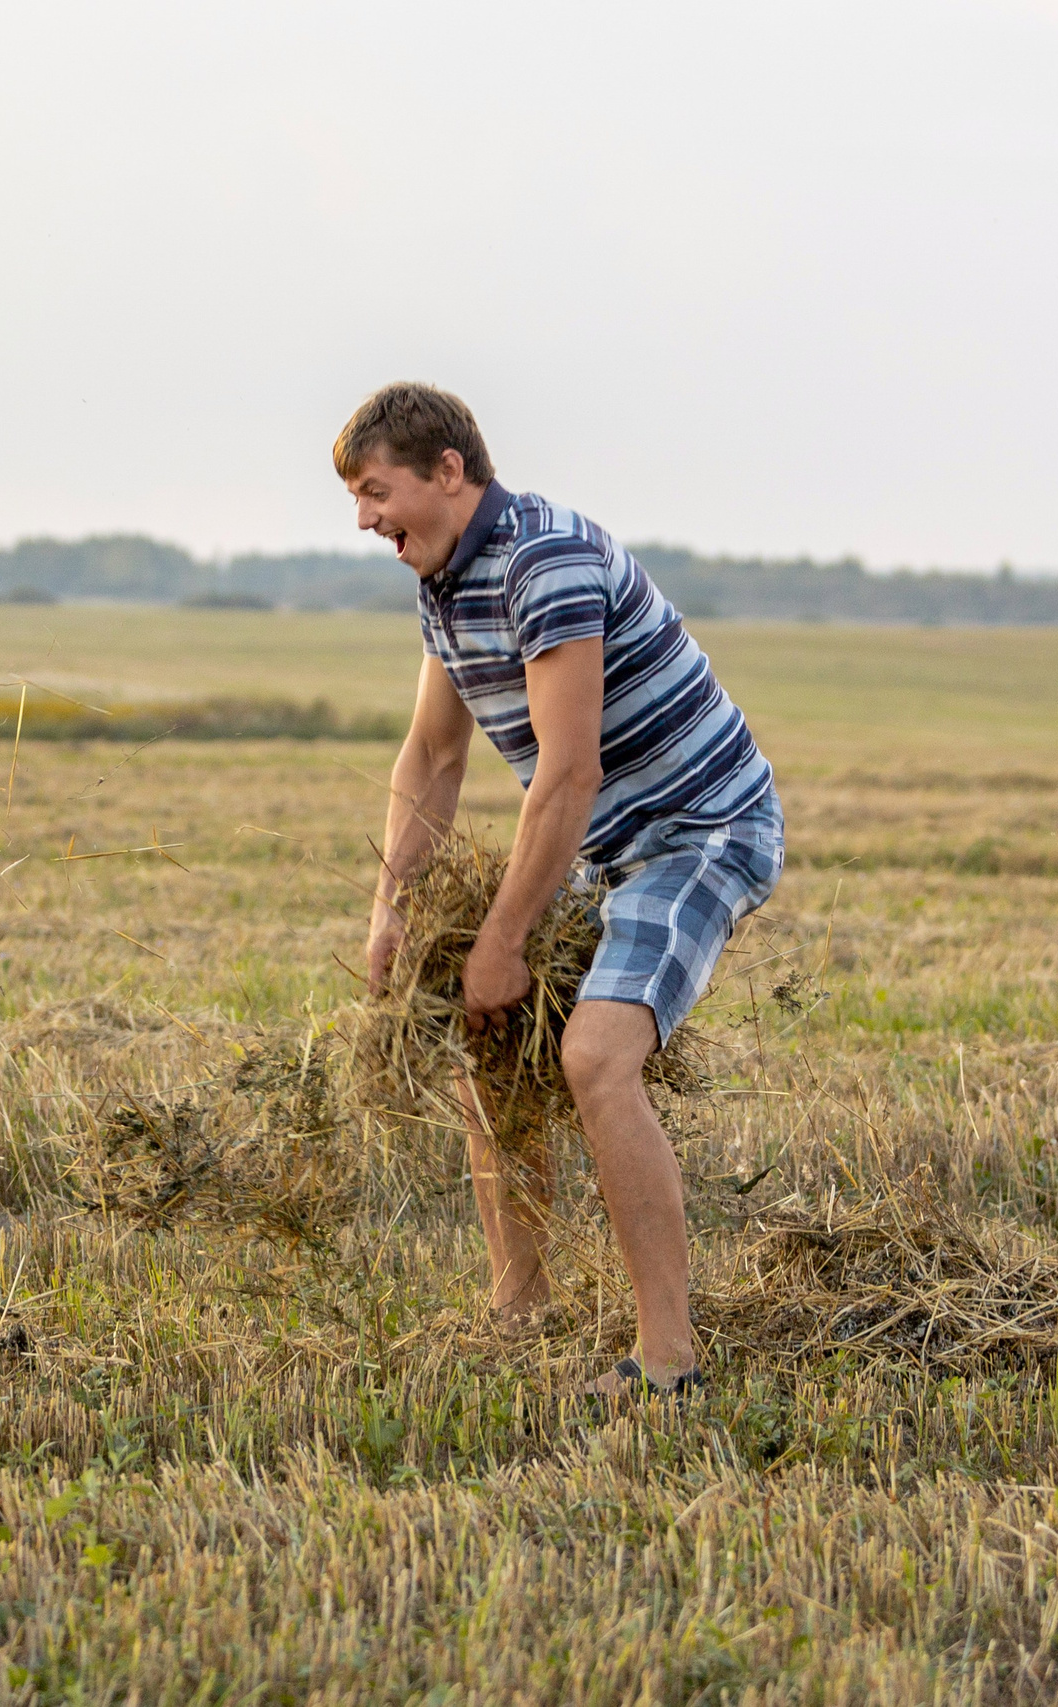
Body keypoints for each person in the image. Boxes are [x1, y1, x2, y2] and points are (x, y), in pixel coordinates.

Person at [341, 382, 781, 1398]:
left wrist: (503, 939)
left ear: (447, 471)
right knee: (483, 1047)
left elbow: (567, 773)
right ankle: (519, 1312)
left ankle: (669, 1364)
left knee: (593, 1059)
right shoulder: (446, 581)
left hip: (698, 830)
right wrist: (390, 914)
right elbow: (433, 759)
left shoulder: (547, 561)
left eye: (375, 490)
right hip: (602, 843)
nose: (364, 518)